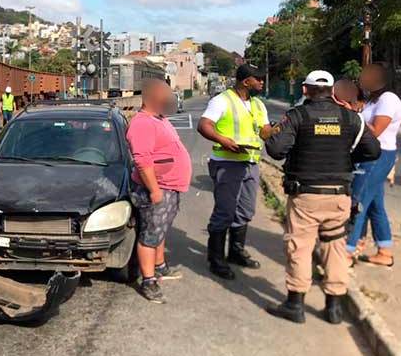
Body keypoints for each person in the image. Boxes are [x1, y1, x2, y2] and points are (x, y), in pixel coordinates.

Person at [264, 70, 380, 324]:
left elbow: (276, 149)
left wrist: (272, 134)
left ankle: (295, 305)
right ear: (331, 91)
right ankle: (334, 307)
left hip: (306, 195)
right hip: (339, 195)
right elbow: (373, 150)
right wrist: (346, 158)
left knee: (300, 246)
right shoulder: (351, 118)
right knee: (335, 247)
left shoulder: (297, 116)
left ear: (305, 90)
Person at [197, 64, 271, 280]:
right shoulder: (222, 100)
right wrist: (222, 140)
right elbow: (204, 125)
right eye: (258, 80)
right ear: (246, 81)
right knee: (225, 211)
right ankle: (216, 259)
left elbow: (264, 131)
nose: (262, 83)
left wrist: (276, 128)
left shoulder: (258, 104)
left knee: (246, 210)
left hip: (250, 162)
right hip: (227, 164)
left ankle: (236, 251)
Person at [126, 78, 192, 303]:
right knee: (150, 235)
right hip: (157, 189)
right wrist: (154, 190)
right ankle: (148, 280)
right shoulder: (142, 123)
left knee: (160, 230)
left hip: (169, 188)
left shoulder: (159, 119)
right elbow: (142, 160)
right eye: (167, 95)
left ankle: (160, 266)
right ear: (154, 97)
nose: (171, 99)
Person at [347, 62, 401, 267]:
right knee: (375, 205)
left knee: (358, 202)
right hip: (370, 155)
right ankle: (385, 251)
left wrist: (354, 116)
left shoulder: (389, 99)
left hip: (377, 156)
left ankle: (347, 252)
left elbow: (376, 131)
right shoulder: (373, 99)